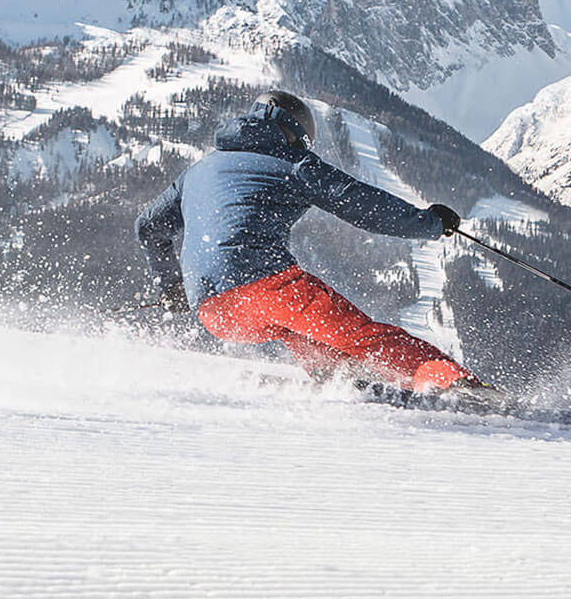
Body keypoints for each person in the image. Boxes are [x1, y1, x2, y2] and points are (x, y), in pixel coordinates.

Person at [136, 89, 480, 393]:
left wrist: (172, 286)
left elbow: (148, 226)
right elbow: (361, 204)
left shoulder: (198, 170)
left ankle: (339, 375)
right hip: (264, 286)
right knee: (363, 336)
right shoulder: (293, 162)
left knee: (296, 329)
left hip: (214, 310)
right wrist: (431, 222)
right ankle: (454, 384)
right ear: (295, 132)